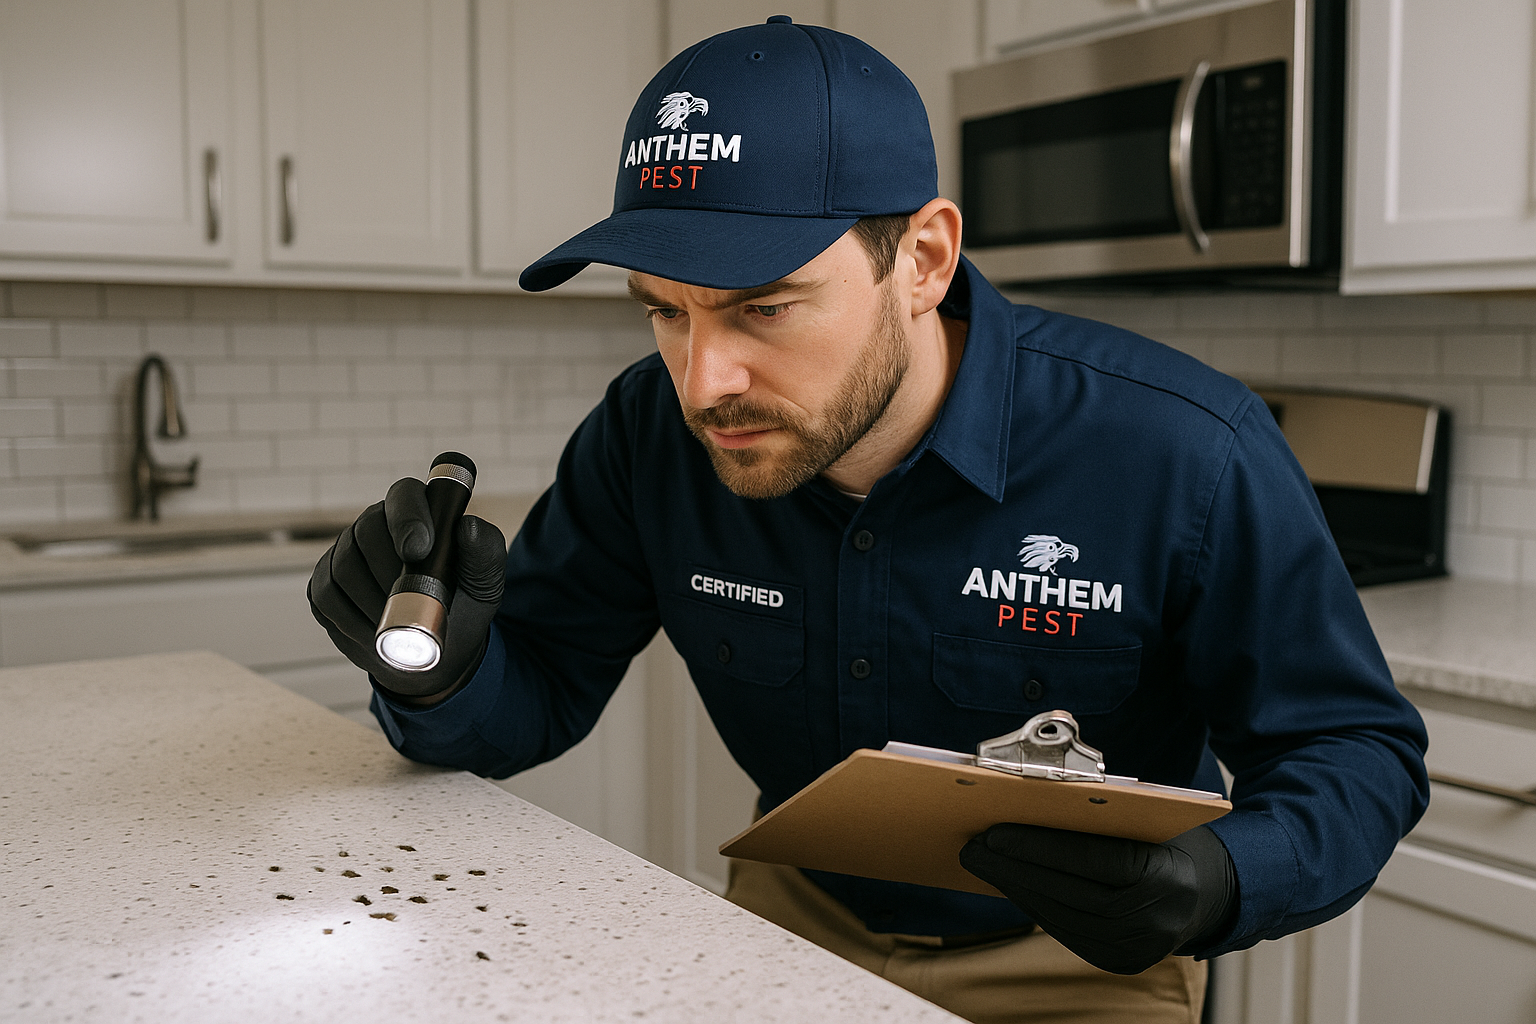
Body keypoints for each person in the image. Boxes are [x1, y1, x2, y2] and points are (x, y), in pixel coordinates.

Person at [308, 17, 1428, 1024]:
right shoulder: (648, 433)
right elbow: (536, 685)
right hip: (788, 918)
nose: (706, 383)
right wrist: (439, 676)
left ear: (923, 260)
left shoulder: (1186, 448)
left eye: (765, 307)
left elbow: (1353, 748)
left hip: (1081, 962)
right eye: (665, 311)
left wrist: (1219, 876)